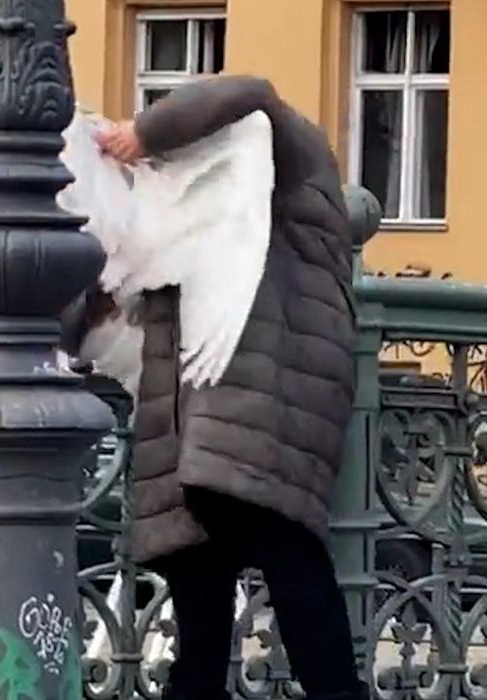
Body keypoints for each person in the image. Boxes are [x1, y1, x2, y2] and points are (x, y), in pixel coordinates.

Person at [73, 75, 368, 700]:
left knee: (287, 558)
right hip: (191, 429)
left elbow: (251, 90)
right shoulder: (181, 208)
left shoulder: (287, 154)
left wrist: (141, 134)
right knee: (201, 600)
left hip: (266, 400)